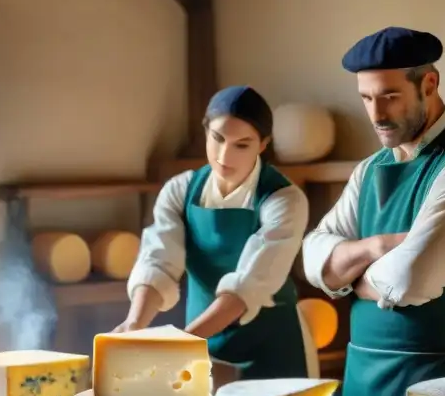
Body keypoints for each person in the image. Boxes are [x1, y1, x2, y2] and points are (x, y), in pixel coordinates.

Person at [302, 27, 445, 396]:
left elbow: (411, 278)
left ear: (428, 84)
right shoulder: (368, 170)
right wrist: (377, 247)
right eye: (366, 98)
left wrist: (350, 278)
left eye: (390, 97)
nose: (376, 114)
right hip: (362, 379)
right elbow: (314, 260)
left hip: (444, 383)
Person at [115, 85, 318, 380]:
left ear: (263, 144)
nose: (224, 155)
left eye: (242, 144)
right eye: (218, 138)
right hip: (203, 342)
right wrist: (134, 325)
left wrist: (184, 342)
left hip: (274, 349)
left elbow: (249, 285)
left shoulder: (284, 200)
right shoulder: (180, 190)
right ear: (205, 130)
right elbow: (159, 261)